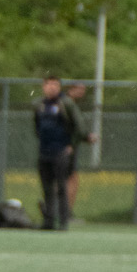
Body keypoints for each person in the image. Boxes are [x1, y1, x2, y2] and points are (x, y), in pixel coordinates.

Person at [33, 75, 80, 231]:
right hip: (44, 152)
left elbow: (77, 127)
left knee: (61, 187)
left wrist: (70, 145)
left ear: (59, 87)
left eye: (55, 84)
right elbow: (37, 127)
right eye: (49, 84)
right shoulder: (39, 105)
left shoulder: (66, 104)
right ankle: (48, 221)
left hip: (60, 151)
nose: (52, 87)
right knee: (46, 188)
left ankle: (63, 222)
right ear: (43, 86)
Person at [65, 80, 96, 220]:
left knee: (66, 178)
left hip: (69, 146)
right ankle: (64, 212)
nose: (82, 92)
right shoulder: (68, 104)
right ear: (71, 89)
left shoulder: (68, 104)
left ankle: (60, 211)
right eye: (79, 89)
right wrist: (87, 137)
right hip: (67, 147)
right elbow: (78, 128)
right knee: (70, 179)